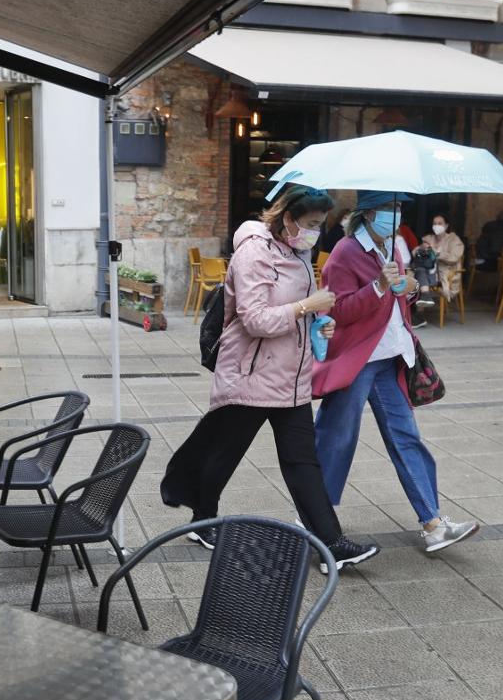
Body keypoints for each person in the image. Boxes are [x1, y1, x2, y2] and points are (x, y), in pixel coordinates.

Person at [161, 186, 379, 573]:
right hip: (251, 372)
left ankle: (332, 544)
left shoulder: (299, 250)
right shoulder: (254, 252)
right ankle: (201, 517)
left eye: (321, 225)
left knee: (302, 460)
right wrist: (305, 307)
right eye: (311, 224)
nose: (316, 232)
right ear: (288, 218)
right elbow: (255, 319)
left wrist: (318, 323)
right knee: (224, 451)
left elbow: (300, 310)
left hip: (291, 376)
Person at [313, 190, 479, 554]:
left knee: (406, 437)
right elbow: (337, 310)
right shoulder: (345, 253)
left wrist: (410, 289)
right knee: (336, 438)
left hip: (390, 358)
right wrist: (379, 286)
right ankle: (314, 520)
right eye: (391, 208)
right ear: (370, 214)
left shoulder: (392, 248)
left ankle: (433, 523)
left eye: (400, 207)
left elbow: (396, 302)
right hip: (357, 360)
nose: (397, 214)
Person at [421, 214, 466, 305]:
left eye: (440, 223)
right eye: (434, 223)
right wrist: (422, 250)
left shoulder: (454, 240)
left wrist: (436, 253)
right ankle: (419, 308)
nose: (436, 226)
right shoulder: (428, 238)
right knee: (416, 274)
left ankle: (420, 309)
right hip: (428, 271)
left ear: (446, 226)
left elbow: (454, 257)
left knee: (420, 277)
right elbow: (416, 253)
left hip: (446, 274)